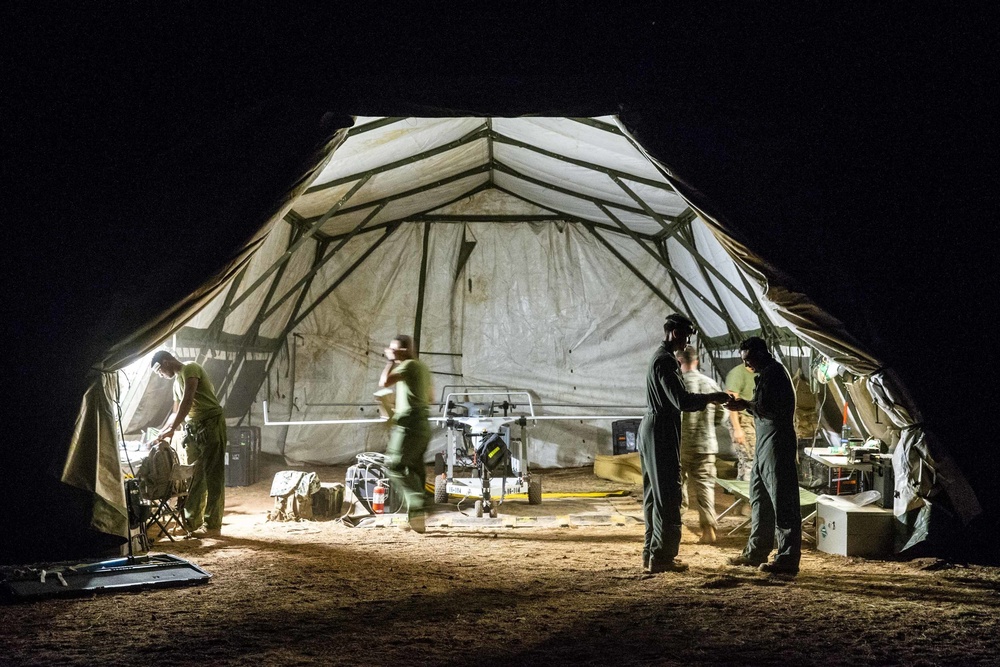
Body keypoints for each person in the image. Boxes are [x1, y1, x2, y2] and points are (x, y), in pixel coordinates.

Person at [639, 314, 730, 574]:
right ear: (673, 332)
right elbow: (681, 401)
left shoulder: (661, 357)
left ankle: (651, 553)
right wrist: (713, 397)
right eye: (686, 334)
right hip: (662, 429)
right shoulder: (666, 361)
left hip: (655, 426)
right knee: (668, 495)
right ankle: (663, 557)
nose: (688, 340)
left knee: (654, 496)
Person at [724, 337, 801, 575]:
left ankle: (787, 559)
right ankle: (756, 551)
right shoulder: (766, 374)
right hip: (764, 443)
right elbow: (762, 407)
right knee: (760, 498)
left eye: (749, 360)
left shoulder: (775, 374)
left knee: (782, 500)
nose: (748, 366)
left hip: (777, 443)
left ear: (761, 354)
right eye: (744, 361)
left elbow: (770, 408)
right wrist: (745, 405)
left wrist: (745, 404)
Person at [150, 351, 227, 538]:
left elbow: (188, 399)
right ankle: (192, 523)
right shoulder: (176, 382)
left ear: (166, 361)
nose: (161, 374)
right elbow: (175, 412)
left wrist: (173, 428)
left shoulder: (190, 368)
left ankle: (212, 526)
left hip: (210, 424)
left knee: (213, 475)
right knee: (194, 476)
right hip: (193, 429)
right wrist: (163, 431)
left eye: (159, 370)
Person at [379, 335, 433, 534]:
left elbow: (384, 382)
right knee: (416, 471)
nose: (391, 351)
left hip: (409, 426)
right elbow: (431, 397)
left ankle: (419, 503)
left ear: (402, 350)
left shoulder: (408, 365)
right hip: (423, 425)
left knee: (394, 465)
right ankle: (416, 519)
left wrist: (390, 361)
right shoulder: (422, 368)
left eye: (394, 349)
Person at [676, 345, 722, 545]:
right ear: (697, 360)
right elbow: (722, 414)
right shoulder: (710, 384)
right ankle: (708, 529)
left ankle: (675, 529)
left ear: (679, 361)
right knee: (705, 486)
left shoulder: (677, 384)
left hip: (679, 446)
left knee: (676, 487)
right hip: (706, 445)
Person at [724, 361, 757, 482]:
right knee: (751, 458)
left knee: (745, 461)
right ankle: (750, 495)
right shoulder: (737, 374)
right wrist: (737, 429)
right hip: (742, 420)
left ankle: (742, 494)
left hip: (755, 419)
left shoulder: (762, 372)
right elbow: (731, 403)